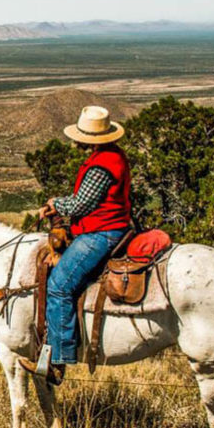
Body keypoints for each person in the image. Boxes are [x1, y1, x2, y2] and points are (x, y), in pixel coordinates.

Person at [19, 105, 132, 385]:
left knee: (59, 284)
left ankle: (57, 360)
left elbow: (83, 203)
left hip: (102, 232)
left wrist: (56, 203)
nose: (77, 141)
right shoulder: (110, 157)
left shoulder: (102, 165)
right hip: (107, 226)